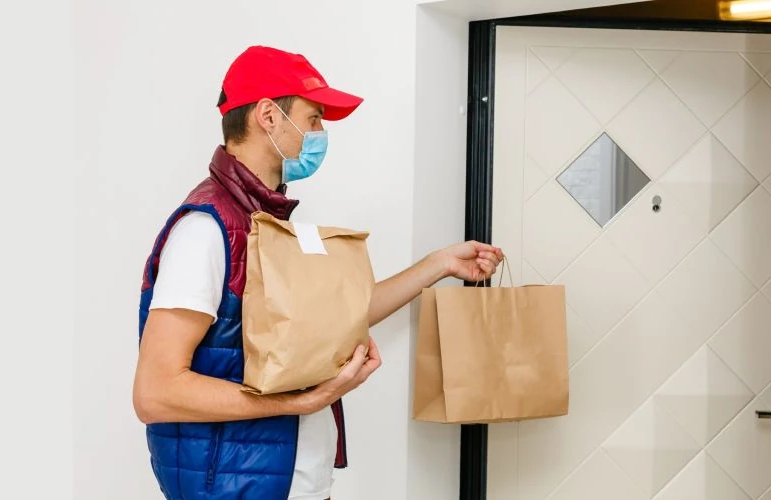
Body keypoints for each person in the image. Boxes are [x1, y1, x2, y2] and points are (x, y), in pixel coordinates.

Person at [132, 45, 504, 500]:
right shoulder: (205, 230)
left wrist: (438, 264)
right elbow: (156, 391)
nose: (320, 132)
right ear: (268, 116)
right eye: (313, 119)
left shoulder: (262, 221)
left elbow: (340, 317)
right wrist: (303, 400)